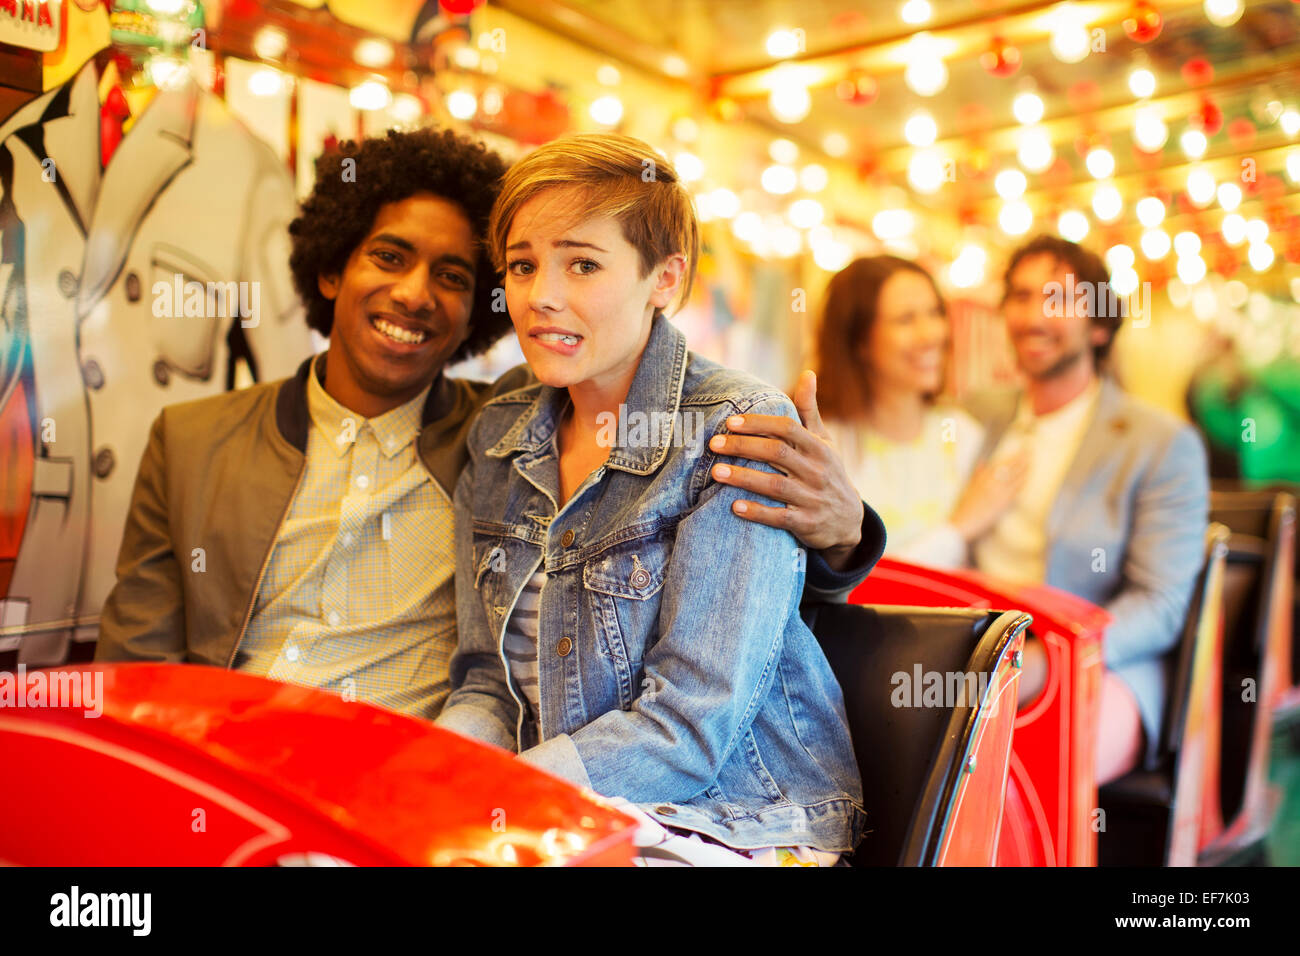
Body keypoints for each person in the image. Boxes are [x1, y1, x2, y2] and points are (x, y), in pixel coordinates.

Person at [95, 127, 882, 721]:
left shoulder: (500, 432)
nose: (413, 294)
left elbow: (732, 584)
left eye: (453, 276)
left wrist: (845, 535)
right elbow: (134, 675)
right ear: (332, 267)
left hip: (418, 774)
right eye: (388, 257)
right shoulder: (194, 439)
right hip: (233, 767)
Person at [436, 133, 872, 865]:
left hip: (740, 819)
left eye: (582, 263)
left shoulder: (732, 426)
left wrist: (500, 796)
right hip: (559, 812)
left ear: (665, 279)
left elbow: (690, 727)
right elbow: (485, 681)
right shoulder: (500, 429)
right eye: (523, 264)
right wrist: (435, 780)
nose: (541, 294)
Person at [967, 235, 1209, 784]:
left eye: (1056, 299)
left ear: (1100, 325)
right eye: (1022, 296)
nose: (1033, 316)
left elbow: (1161, 604)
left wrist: (1051, 658)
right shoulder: (979, 416)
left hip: (1104, 665)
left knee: (1015, 779)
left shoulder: (1161, 442)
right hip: (979, 655)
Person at [816, 256, 1025, 567]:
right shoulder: (825, 447)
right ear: (859, 340)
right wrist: (957, 530)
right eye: (906, 320)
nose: (932, 335)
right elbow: (851, 585)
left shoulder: (964, 435)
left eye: (934, 313)